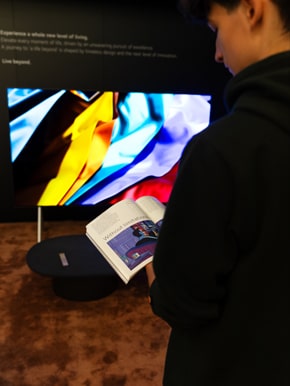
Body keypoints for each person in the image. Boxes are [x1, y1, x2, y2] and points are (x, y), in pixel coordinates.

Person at [145, 0, 290, 385]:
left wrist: (153, 272)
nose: (218, 52)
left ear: (251, 9)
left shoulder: (220, 151)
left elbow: (182, 304)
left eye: (216, 30)